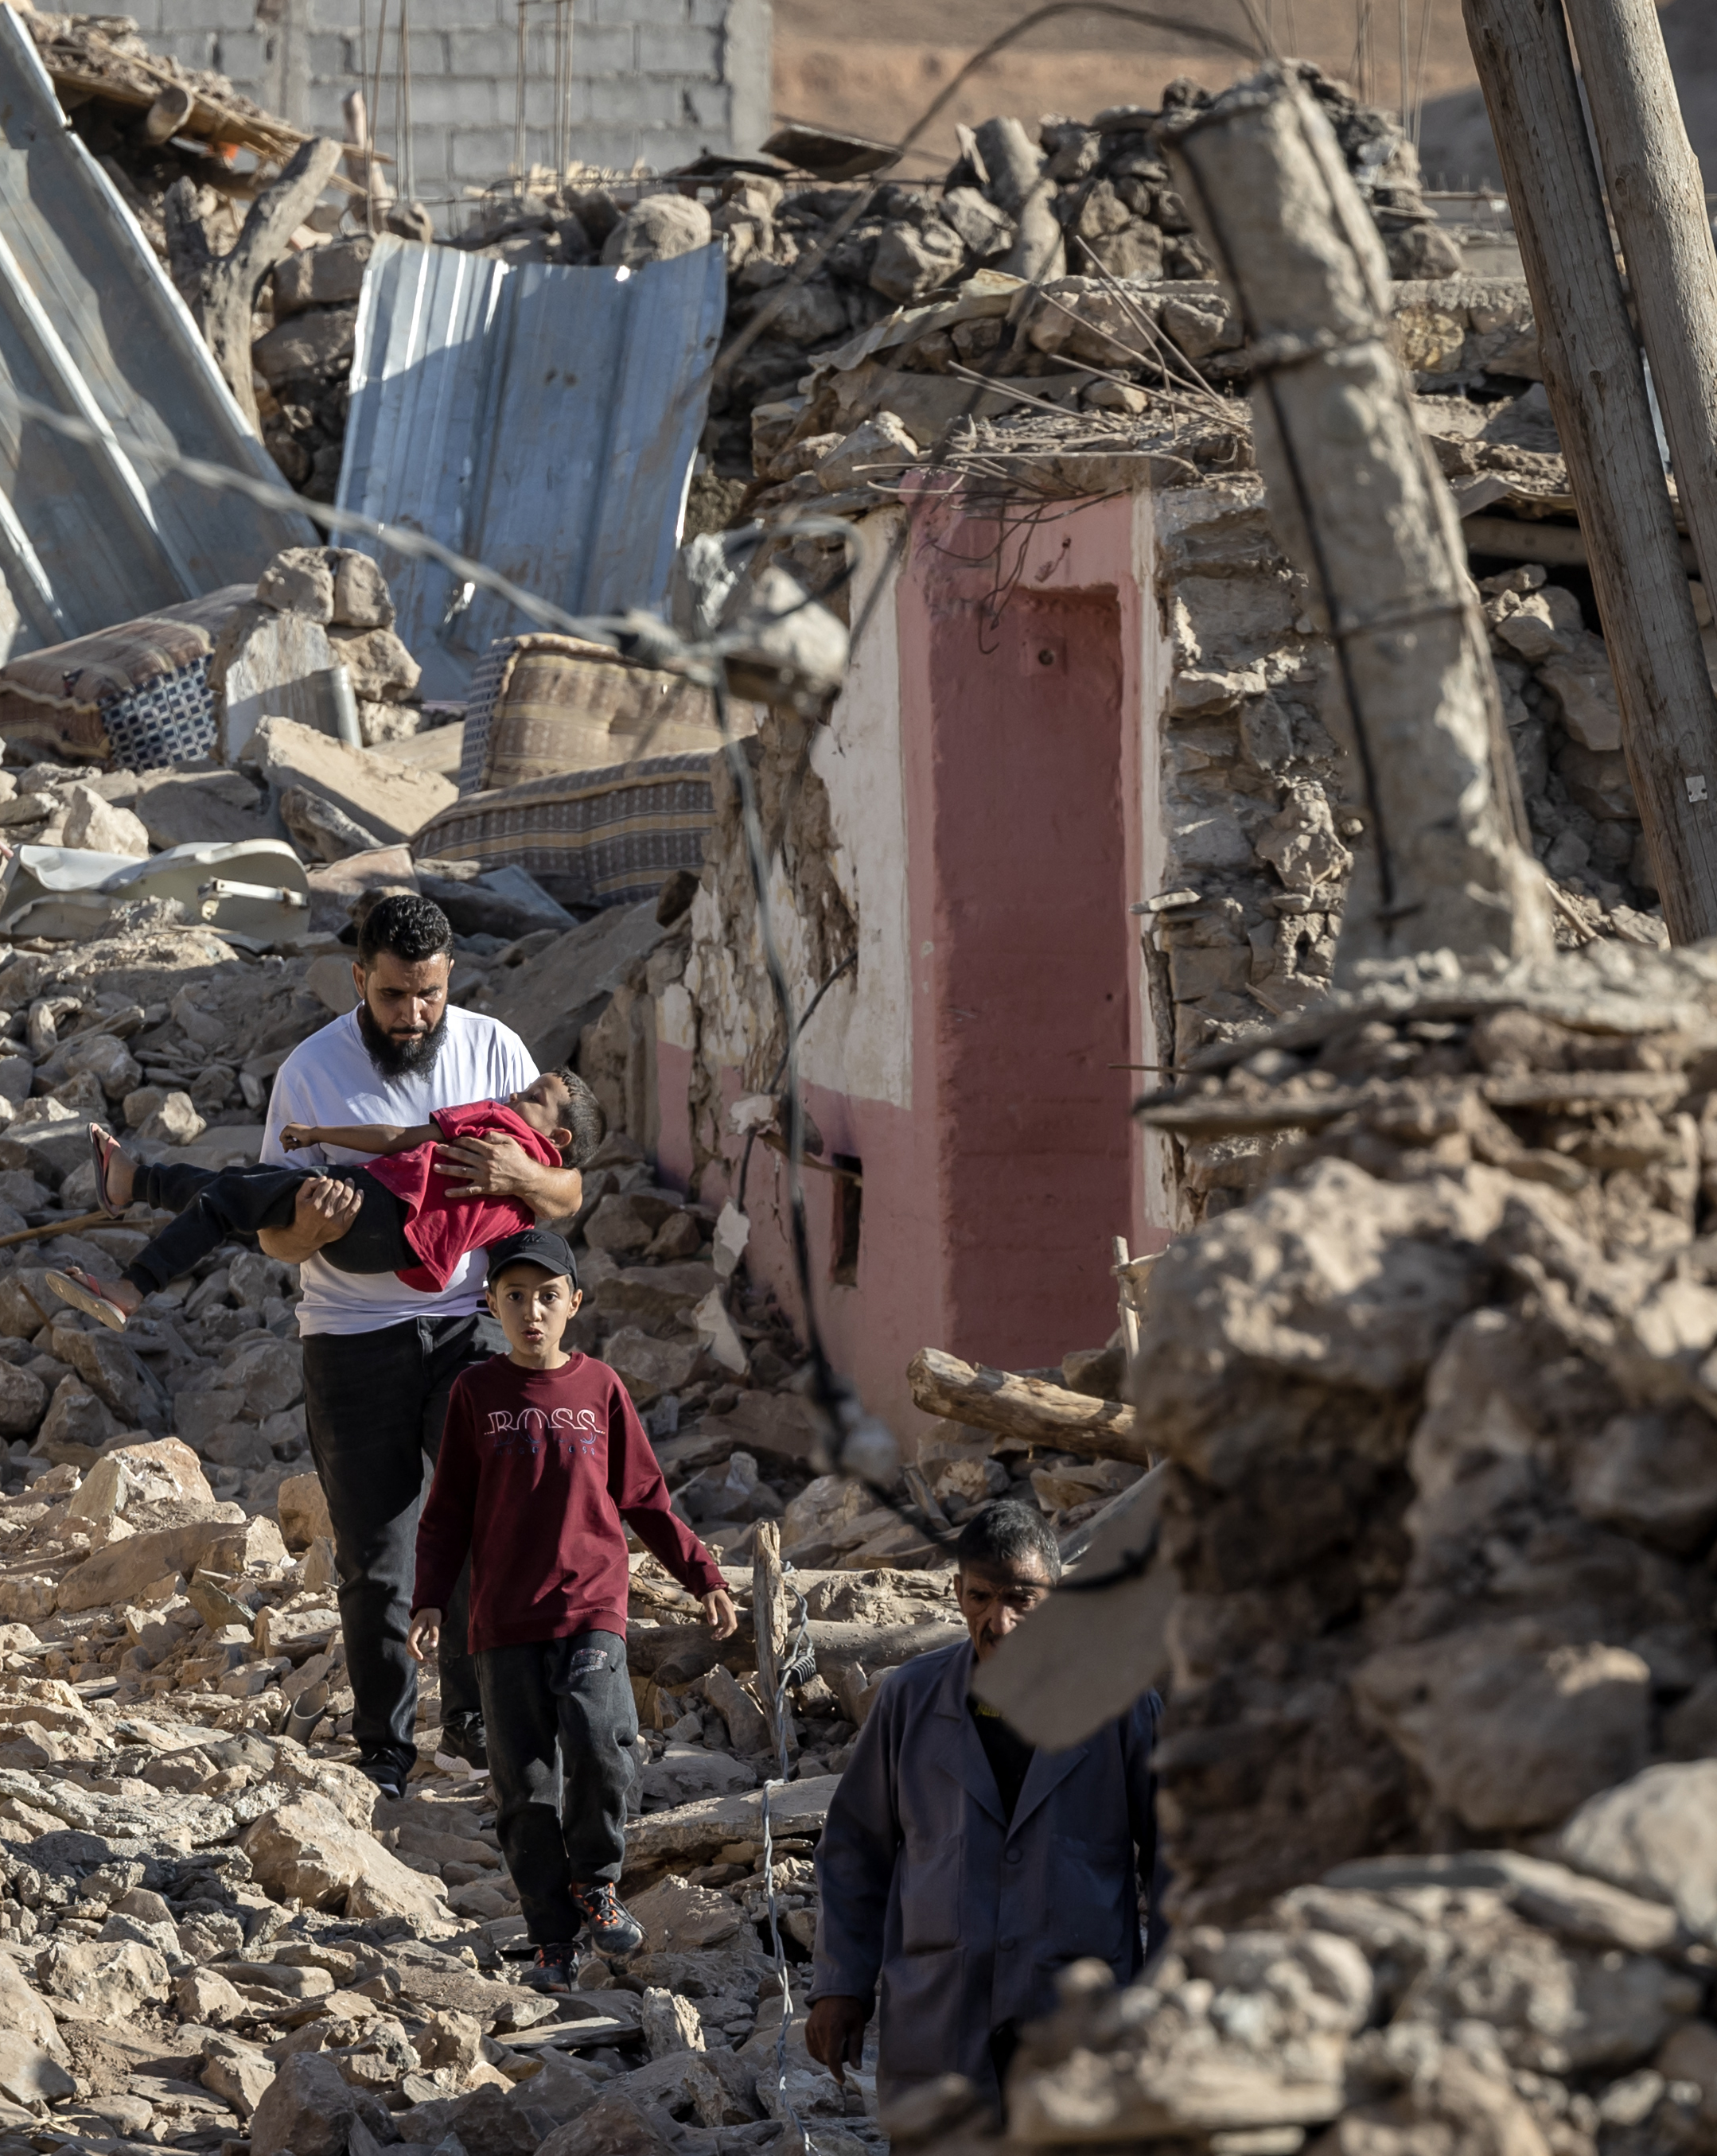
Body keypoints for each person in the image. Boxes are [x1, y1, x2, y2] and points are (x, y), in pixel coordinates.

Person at [255, 891, 585, 1798]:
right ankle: (385, 1752)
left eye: (430, 995)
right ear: (359, 980)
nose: (414, 1017)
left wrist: (524, 1174)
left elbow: (565, 1197)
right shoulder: (308, 1074)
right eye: (394, 997)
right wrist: (307, 1232)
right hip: (349, 1340)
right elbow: (271, 1237)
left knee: (490, 1525)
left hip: (470, 1325)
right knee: (375, 1557)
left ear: (452, 979)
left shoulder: (495, 1052)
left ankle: (482, 1729)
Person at [411, 1228, 737, 1989]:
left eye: (547, 1296)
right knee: (524, 1788)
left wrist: (703, 1574)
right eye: (514, 1297)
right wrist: (428, 1600)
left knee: (598, 1739)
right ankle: (551, 1941)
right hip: (502, 1621)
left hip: (591, 1606)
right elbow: (446, 1511)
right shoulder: (475, 1394)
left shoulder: (601, 1389)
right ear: (491, 1304)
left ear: (573, 1304)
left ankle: (595, 1880)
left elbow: (645, 1497)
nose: (531, 1312)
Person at [804, 1499, 1162, 2117]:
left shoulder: (1121, 1707)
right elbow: (855, 1850)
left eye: (1022, 1597)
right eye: (980, 1597)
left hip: (1075, 2024)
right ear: (956, 1592)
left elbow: (1178, 1857)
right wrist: (840, 1985)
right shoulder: (909, 1701)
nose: (999, 1621)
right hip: (939, 2025)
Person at [49, 1069, 603, 1327]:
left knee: (231, 1197)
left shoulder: (498, 1126)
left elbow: (398, 1137)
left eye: (534, 1096)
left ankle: (132, 1285)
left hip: (375, 1208)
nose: (515, 1094)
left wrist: (321, 1135)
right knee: (243, 1193)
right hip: (385, 1255)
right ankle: (134, 1181)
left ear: (557, 1140)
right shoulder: (532, 1201)